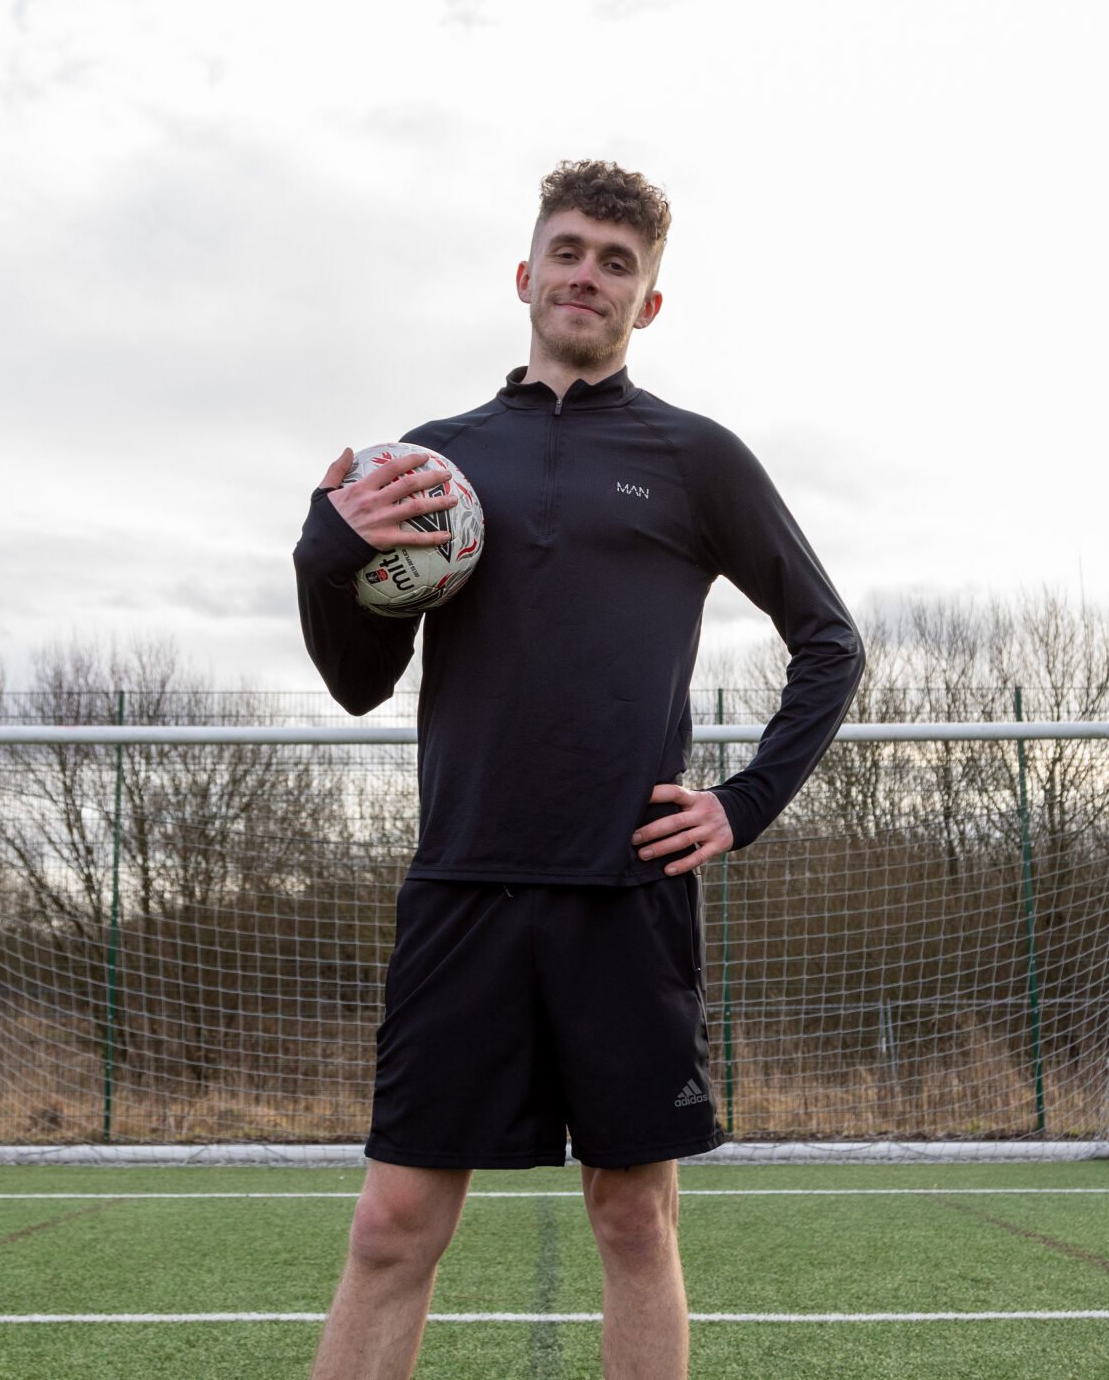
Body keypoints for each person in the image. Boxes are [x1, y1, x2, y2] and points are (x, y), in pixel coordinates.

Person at [293, 159, 862, 1380]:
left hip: (626, 890)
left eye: (617, 263)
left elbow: (829, 641)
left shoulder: (694, 457)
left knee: (630, 1216)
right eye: (568, 251)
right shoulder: (430, 467)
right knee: (392, 1225)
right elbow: (357, 679)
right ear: (525, 273)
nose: (587, 276)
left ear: (646, 303)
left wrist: (742, 804)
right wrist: (322, 553)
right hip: (462, 884)